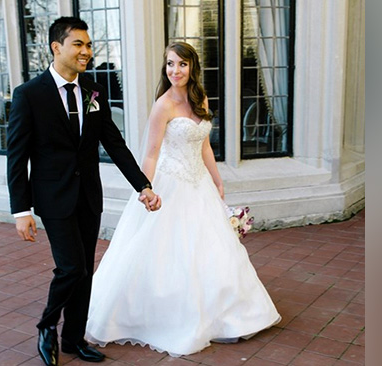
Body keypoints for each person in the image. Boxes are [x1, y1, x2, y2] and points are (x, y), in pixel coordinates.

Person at [84, 41, 281, 357]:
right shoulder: (162, 105)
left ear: (192, 68)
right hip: (170, 184)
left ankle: (227, 314)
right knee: (167, 251)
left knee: (212, 249)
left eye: (182, 64)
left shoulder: (199, 98)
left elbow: (203, 146)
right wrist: (145, 188)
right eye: (170, 64)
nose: (175, 70)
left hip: (198, 183)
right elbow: (151, 151)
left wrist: (217, 182)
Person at [6, 17, 161, 366]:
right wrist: (21, 211)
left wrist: (143, 185)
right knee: (71, 268)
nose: (87, 52)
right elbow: (17, 158)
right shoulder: (29, 95)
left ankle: (73, 340)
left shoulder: (93, 91)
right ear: (56, 47)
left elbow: (114, 144)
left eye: (89, 45)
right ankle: (47, 326)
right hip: (53, 198)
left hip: (89, 196)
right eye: (78, 44)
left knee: (85, 272)